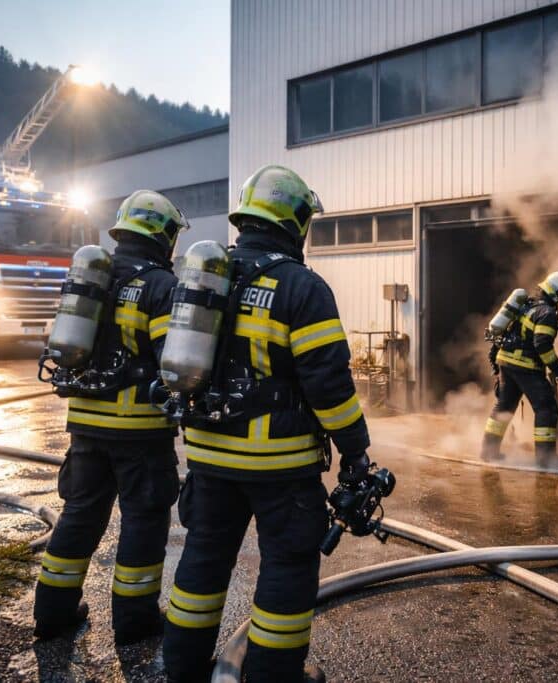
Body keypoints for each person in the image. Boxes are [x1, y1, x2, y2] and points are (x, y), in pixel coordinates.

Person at [163, 165, 371, 683]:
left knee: (203, 564)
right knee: (287, 569)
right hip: (281, 466)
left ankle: (183, 669)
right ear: (296, 222)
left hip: (209, 459)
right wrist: (356, 450)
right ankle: (275, 676)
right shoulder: (302, 287)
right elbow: (329, 385)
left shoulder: (207, 276)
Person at [33, 190, 188, 644]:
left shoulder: (93, 275)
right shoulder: (160, 285)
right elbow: (171, 361)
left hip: (85, 426)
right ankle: (134, 623)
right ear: (163, 236)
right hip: (139, 431)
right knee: (143, 522)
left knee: (79, 517)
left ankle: (52, 613)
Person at [481, 271, 558, 468]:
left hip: (505, 362)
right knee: (547, 409)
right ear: (556, 292)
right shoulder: (547, 313)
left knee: (504, 407)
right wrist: (557, 368)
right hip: (525, 366)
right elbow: (542, 344)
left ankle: (488, 451)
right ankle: (546, 459)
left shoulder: (528, 305)